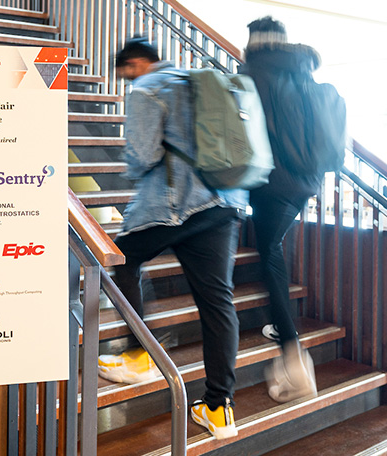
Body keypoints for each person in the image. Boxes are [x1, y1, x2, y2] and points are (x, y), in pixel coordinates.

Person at [97, 37, 247, 440]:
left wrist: (132, 166)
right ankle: (219, 408)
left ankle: (140, 353)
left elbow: (141, 156)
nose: (127, 78)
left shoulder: (148, 88)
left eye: (126, 70)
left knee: (117, 260)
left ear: (138, 62)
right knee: (218, 303)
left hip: (173, 205)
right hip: (222, 201)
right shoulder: (200, 81)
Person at [239, 16, 320, 403]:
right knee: (274, 247)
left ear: (255, 41)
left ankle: (293, 355)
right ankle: (280, 325)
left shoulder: (254, 72)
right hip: (306, 183)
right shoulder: (301, 71)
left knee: (269, 254)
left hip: (273, 183)